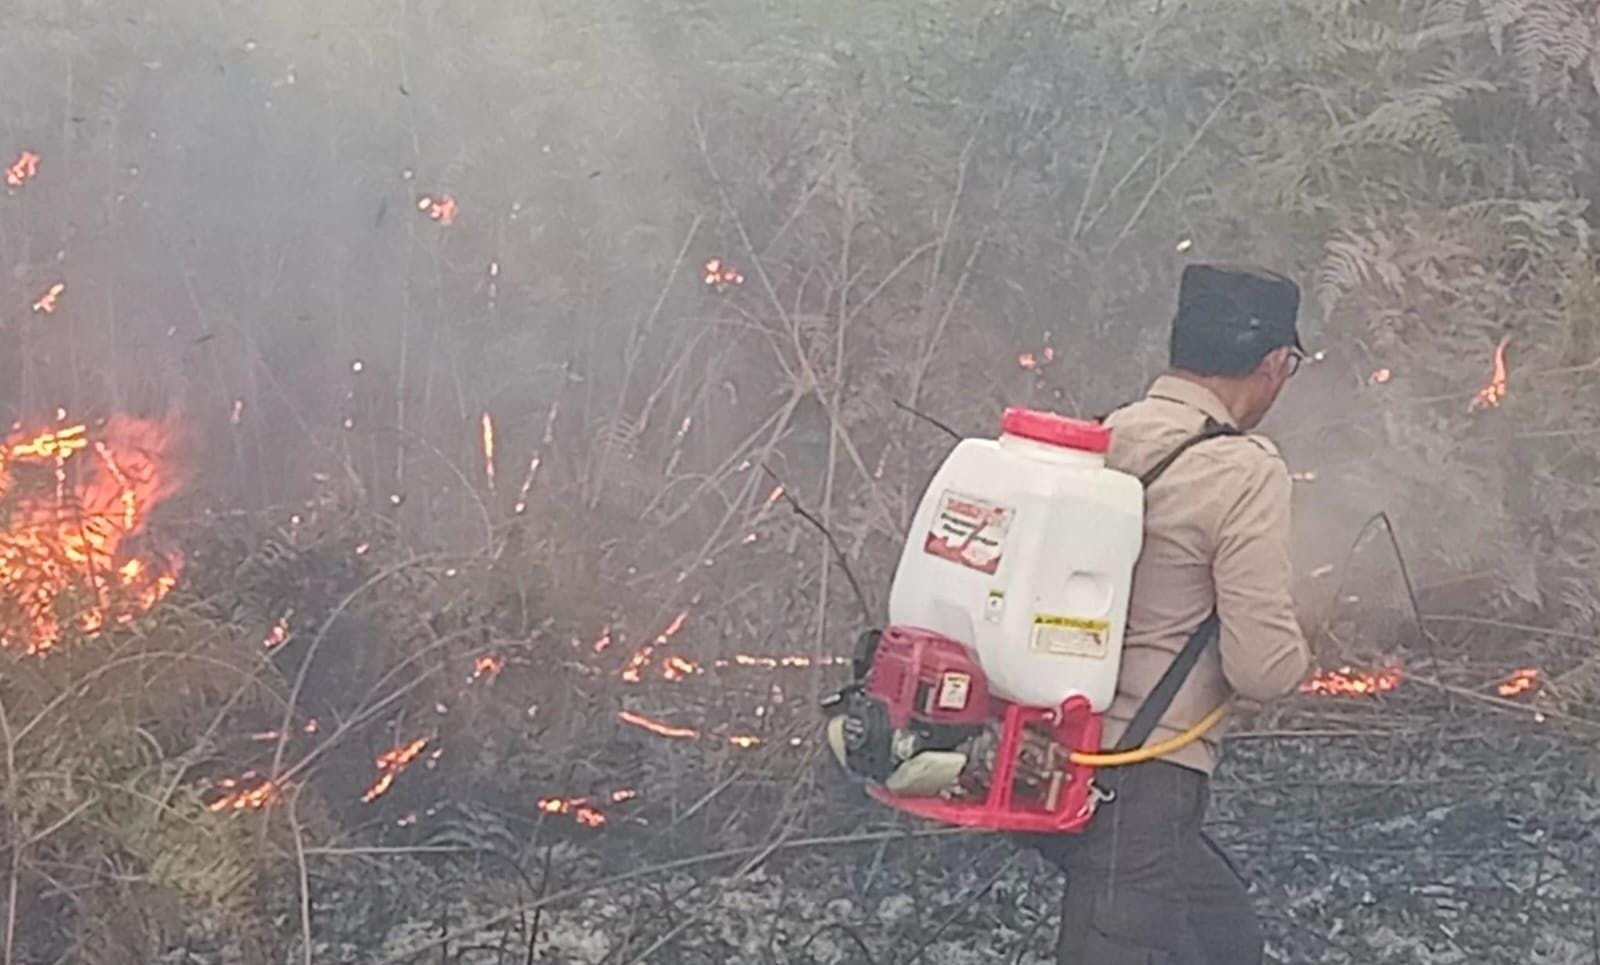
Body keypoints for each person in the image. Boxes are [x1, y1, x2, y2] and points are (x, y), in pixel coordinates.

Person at [1028, 263, 1313, 965]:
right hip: (1138, 774)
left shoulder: (1105, 436)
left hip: (1047, 753)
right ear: (1276, 362)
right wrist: (1301, 652)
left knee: (1221, 934)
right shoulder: (1245, 471)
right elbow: (1262, 667)